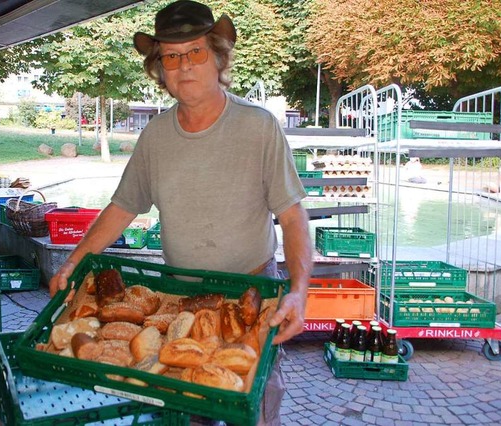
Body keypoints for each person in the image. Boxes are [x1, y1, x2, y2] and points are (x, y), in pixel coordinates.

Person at [49, 1, 313, 424]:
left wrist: (298, 290)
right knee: (190, 407)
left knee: (256, 406)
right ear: (160, 69)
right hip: (179, 302)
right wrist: (74, 262)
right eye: (171, 56)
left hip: (251, 292)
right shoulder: (155, 137)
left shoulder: (258, 126)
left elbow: (293, 215)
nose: (184, 66)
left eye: (195, 52)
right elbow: (122, 207)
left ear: (218, 58)